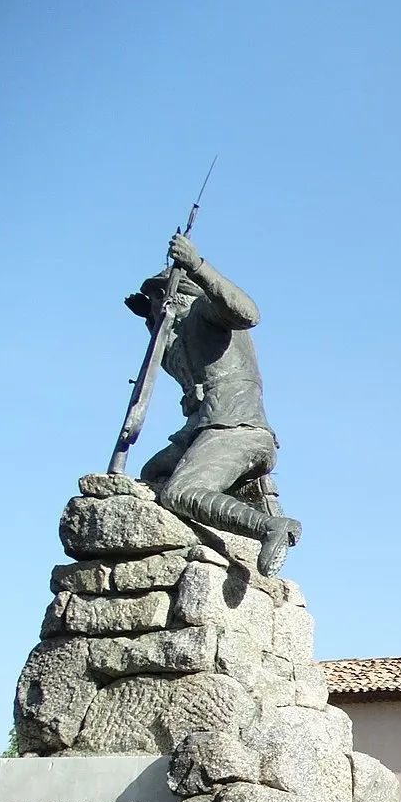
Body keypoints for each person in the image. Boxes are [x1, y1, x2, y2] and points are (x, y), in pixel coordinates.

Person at [125, 234, 302, 576]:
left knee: (180, 491)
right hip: (206, 430)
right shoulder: (182, 337)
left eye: (159, 297)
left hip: (235, 428)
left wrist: (196, 265)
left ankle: (268, 528)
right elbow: (176, 358)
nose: (157, 306)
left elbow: (247, 313)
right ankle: (251, 487)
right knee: (154, 473)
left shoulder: (206, 311)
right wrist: (152, 322)